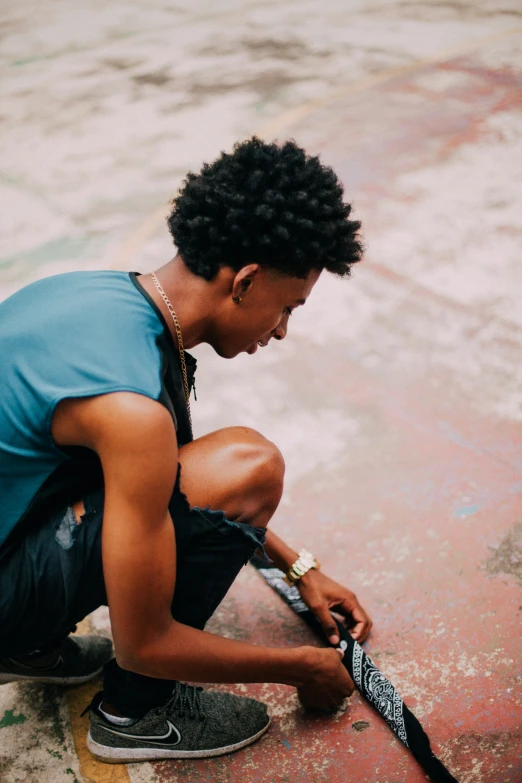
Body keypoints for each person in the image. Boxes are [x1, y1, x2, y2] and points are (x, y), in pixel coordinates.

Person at [0, 136, 372, 763]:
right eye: (287, 307)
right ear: (247, 282)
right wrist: (300, 668)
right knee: (250, 466)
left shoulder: (98, 295)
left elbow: (168, 486)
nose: (281, 331)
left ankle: (24, 647)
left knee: (218, 471)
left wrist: (298, 567)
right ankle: (133, 715)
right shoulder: (131, 409)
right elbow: (143, 645)